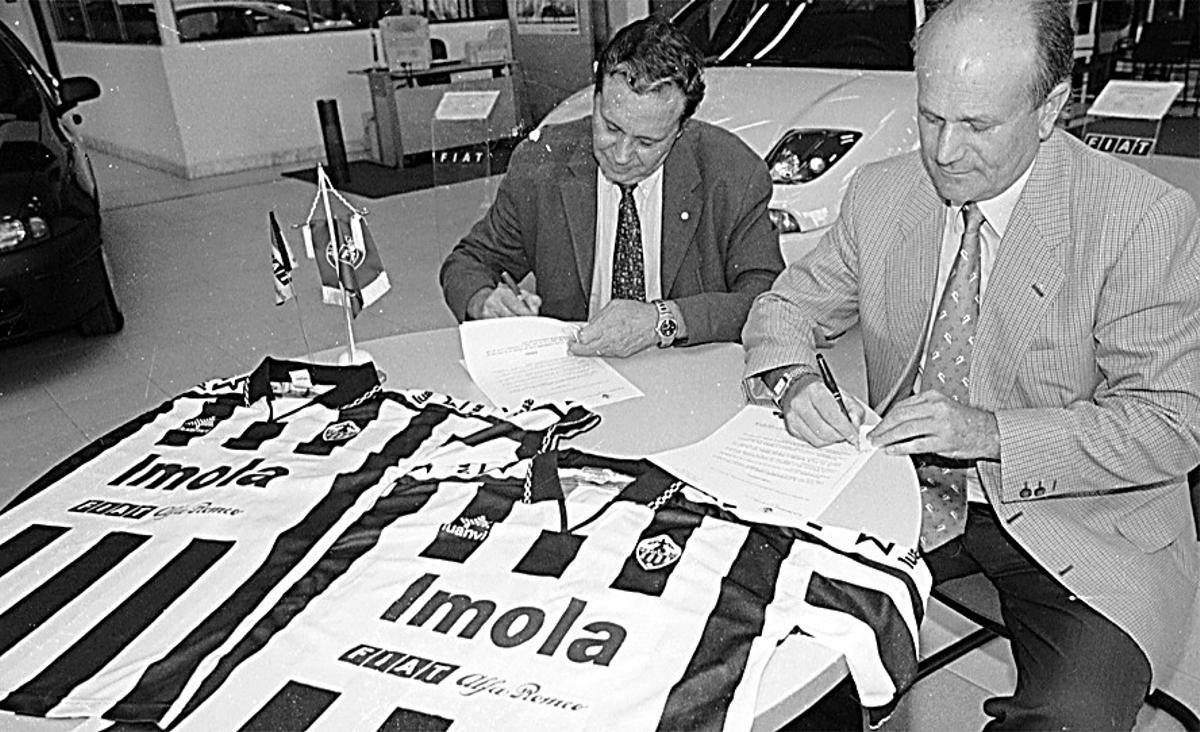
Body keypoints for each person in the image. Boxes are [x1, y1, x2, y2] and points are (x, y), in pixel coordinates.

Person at [742, 0, 1200, 729]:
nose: (945, 152)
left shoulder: (1139, 218)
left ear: (1050, 109)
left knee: (1067, 719)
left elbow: (1170, 424)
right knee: (761, 644)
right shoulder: (884, 192)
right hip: (901, 492)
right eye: (930, 117)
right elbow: (783, 311)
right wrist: (796, 382)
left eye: (978, 126)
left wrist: (989, 432)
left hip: (1084, 518)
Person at [440, 17, 782, 358]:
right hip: (579, 378)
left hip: (686, 374)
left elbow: (767, 298)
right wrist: (485, 300)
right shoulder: (540, 164)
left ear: (680, 130)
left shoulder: (734, 173)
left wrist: (663, 320)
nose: (620, 155)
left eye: (647, 142)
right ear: (595, 99)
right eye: (611, 127)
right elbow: (467, 262)